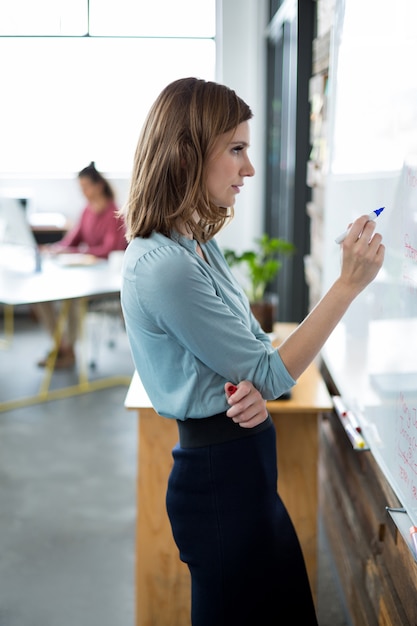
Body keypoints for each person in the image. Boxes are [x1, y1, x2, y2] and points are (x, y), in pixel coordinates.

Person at [120, 77, 385, 625]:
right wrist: (346, 286)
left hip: (244, 467)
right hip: (219, 482)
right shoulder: (164, 265)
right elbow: (268, 370)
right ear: (188, 153)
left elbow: (255, 360)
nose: (249, 168)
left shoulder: (196, 243)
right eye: (236, 149)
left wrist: (255, 393)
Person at [34, 162, 127, 369]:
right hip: (85, 273)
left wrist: (77, 252)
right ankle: (61, 347)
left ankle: (68, 351)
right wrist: (53, 249)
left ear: (99, 186)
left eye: (86, 187)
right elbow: (70, 241)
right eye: (81, 188)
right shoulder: (86, 211)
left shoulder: (114, 213)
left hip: (106, 278)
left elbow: (109, 249)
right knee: (41, 297)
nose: (83, 192)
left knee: (72, 298)